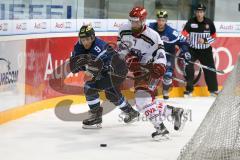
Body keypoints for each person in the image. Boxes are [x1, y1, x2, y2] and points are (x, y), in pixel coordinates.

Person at [118, 6, 185, 140]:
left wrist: (160, 67)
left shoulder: (153, 36)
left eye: (136, 21)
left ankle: (161, 129)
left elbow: (161, 55)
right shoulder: (123, 30)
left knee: (142, 101)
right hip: (138, 71)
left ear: (143, 21)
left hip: (151, 69)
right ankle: (173, 111)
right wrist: (127, 57)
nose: (133, 24)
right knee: (143, 103)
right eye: (131, 21)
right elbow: (121, 48)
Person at [70, 25, 140, 129]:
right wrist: (79, 66)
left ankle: (96, 117)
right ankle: (131, 112)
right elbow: (74, 67)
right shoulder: (78, 46)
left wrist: (86, 66)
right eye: (83, 39)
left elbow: (92, 71)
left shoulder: (99, 47)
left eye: (88, 39)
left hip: (118, 69)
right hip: (106, 70)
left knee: (90, 87)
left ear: (93, 37)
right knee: (111, 94)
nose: (85, 42)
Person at [149, 10, 190, 100]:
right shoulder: (150, 27)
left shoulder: (172, 32)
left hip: (168, 55)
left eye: (163, 20)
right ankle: (150, 92)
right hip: (154, 54)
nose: (160, 22)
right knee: (154, 73)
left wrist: (185, 52)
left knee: (167, 76)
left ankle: (165, 90)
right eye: (159, 20)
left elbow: (183, 42)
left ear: (166, 21)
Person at [180, 4, 219, 97]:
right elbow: (183, 34)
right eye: (197, 12)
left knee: (210, 70)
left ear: (204, 12)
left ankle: (213, 90)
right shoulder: (190, 22)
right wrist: (184, 43)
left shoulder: (209, 23)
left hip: (205, 51)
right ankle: (189, 90)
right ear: (195, 12)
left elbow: (214, 37)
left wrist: (205, 40)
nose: (199, 14)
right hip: (192, 50)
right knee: (188, 68)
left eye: (201, 12)